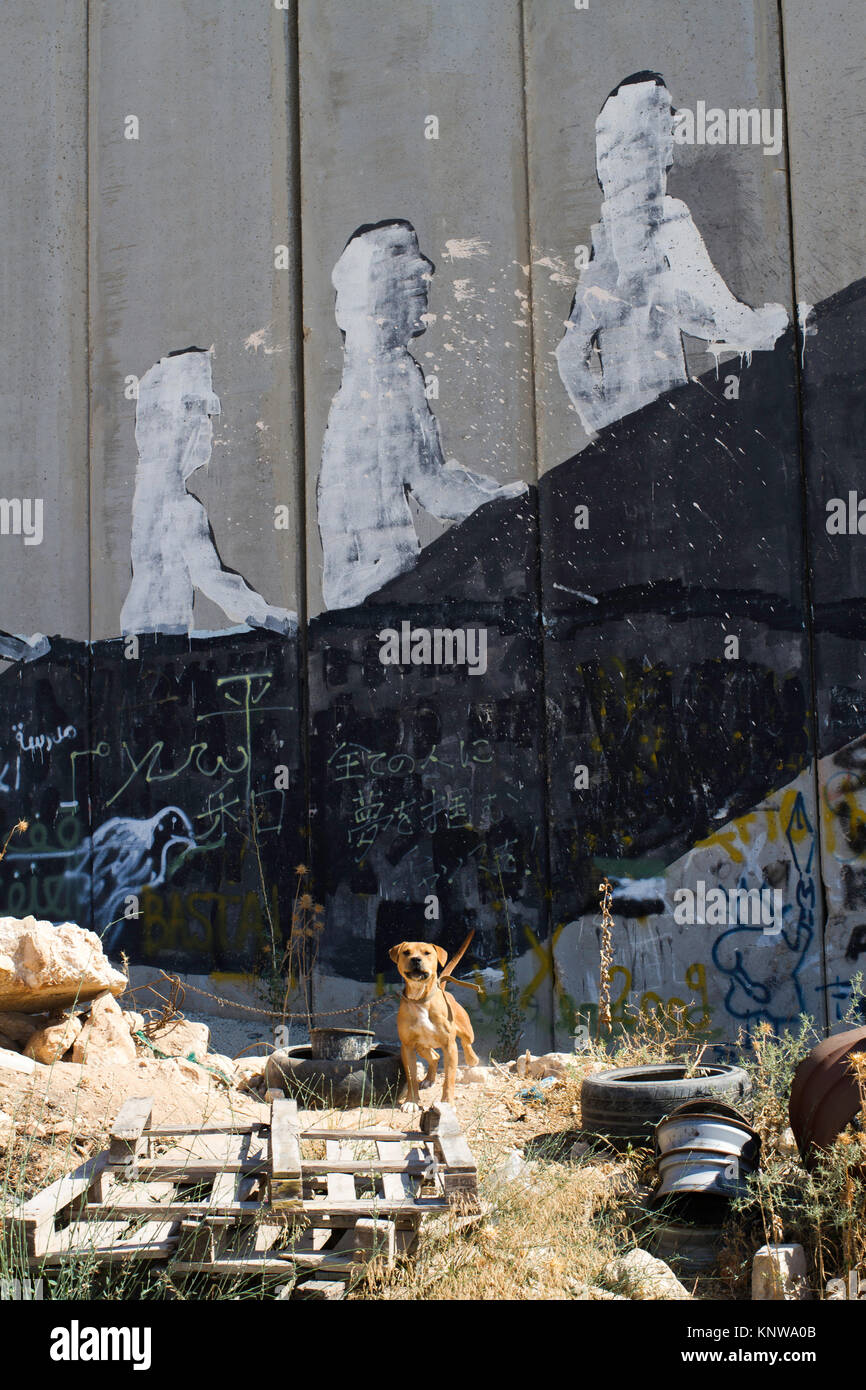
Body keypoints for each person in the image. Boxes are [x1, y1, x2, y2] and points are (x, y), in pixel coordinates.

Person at [555, 72, 788, 435]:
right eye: (660, 128)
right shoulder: (664, 217)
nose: (667, 144)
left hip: (636, 425)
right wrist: (772, 327)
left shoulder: (607, 235)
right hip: (664, 420)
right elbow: (714, 314)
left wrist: (601, 421)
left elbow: (572, 352)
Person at [318, 220, 527, 609]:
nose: (424, 268)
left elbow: (433, 473)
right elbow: (434, 488)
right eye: (401, 254)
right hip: (370, 585)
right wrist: (502, 501)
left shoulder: (378, 374)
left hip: (370, 581)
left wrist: (493, 495)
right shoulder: (386, 378)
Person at [120, 348, 296, 636]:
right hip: (164, 640)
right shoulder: (180, 506)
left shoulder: (147, 496)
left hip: (140, 631)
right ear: (178, 426)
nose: (208, 429)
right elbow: (215, 581)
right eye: (201, 417)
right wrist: (275, 619)